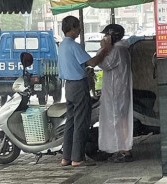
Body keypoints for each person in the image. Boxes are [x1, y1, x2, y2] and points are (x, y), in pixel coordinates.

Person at [57, 15, 111, 167]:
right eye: (78, 27)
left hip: (68, 86)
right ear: (72, 28)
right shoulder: (74, 46)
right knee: (81, 122)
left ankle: (66, 157)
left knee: (71, 122)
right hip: (79, 86)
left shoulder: (62, 46)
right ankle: (77, 158)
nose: (80, 30)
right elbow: (92, 62)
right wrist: (105, 51)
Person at [96, 24, 134, 163]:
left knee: (118, 120)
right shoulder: (122, 48)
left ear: (113, 36)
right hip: (118, 89)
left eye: (106, 35)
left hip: (116, 91)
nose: (104, 38)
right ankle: (122, 148)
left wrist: (102, 49)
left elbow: (104, 64)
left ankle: (124, 150)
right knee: (120, 119)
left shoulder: (117, 50)